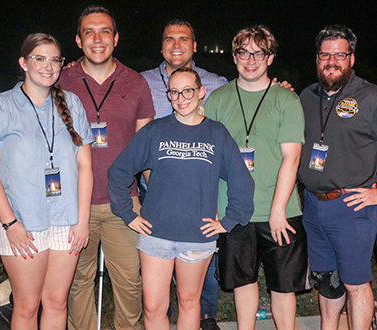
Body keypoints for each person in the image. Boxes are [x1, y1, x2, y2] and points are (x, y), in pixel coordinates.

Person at [108, 67, 254, 330]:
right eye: (174, 92)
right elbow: (119, 171)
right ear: (169, 96)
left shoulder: (217, 134)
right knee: (154, 307)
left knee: (188, 301)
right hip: (156, 235)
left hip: (197, 236)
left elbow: (241, 180)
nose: (181, 97)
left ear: (201, 92)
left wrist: (231, 220)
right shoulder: (155, 131)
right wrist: (128, 214)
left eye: (188, 90)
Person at [0, 33, 93, 329]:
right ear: (24, 63)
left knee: (56, 302)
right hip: (21, 224)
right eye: (39, 58)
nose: (48, 66)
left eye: (54, 60)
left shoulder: (73, 104)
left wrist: (82, 220)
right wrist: (10, 224)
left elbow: (85, 166)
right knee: (27, 306)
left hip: (66, 222)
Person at [58, 6, 155, 330]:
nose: (97, 39)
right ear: (78, 39)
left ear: (115, 38)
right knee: (76, 283)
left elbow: (146, 149)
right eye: (89, 32)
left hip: (123, 203)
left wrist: (155, 195)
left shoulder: (136, 82)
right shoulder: (60, 79)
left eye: (104, 31)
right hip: (73, 205)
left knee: (129, 283)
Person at [206, 25, 307, 330]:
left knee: (284, 286)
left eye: (258, 52)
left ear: (270, 57)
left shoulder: (286, 100)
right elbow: (210, 159)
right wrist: (214, 207)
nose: (250, 59)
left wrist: (278, 211)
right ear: (234, 57)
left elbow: (292, 157)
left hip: (281, 211)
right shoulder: (217, 100)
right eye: (243, 52)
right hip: (234, 211)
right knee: (242, 283)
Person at [140, 20, 227, 329]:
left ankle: (206, 318)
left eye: (183, 39)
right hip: (155, 194)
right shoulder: (141, 82)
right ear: (161, 45)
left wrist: (277, 88)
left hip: (200, 195)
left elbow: (240, 109)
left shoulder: (216, 84)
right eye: (169, 39)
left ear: (194, 45)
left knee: (199, 273)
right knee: (157, 285)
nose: (176, 44)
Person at [298, 25, 377, 330]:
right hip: (314, 209)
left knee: (356, 283)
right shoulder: (306, 96)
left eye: (339, 55)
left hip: (353, 208)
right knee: (327, 282)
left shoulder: (370, 97)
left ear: (351, 59)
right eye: (324, 55)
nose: (331, 61)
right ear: (317, 59)